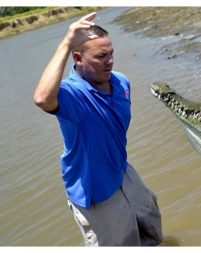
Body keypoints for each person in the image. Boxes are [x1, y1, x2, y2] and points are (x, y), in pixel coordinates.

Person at [33, 12, 162, 246]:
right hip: (94, 189)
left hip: (123, 172)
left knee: (153, 232)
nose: (110, 61)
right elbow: (42, 98)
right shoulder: (72, 94)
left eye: (111, 53)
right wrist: (66, 42)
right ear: (78, 58)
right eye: (101, 56)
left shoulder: (121, 82)